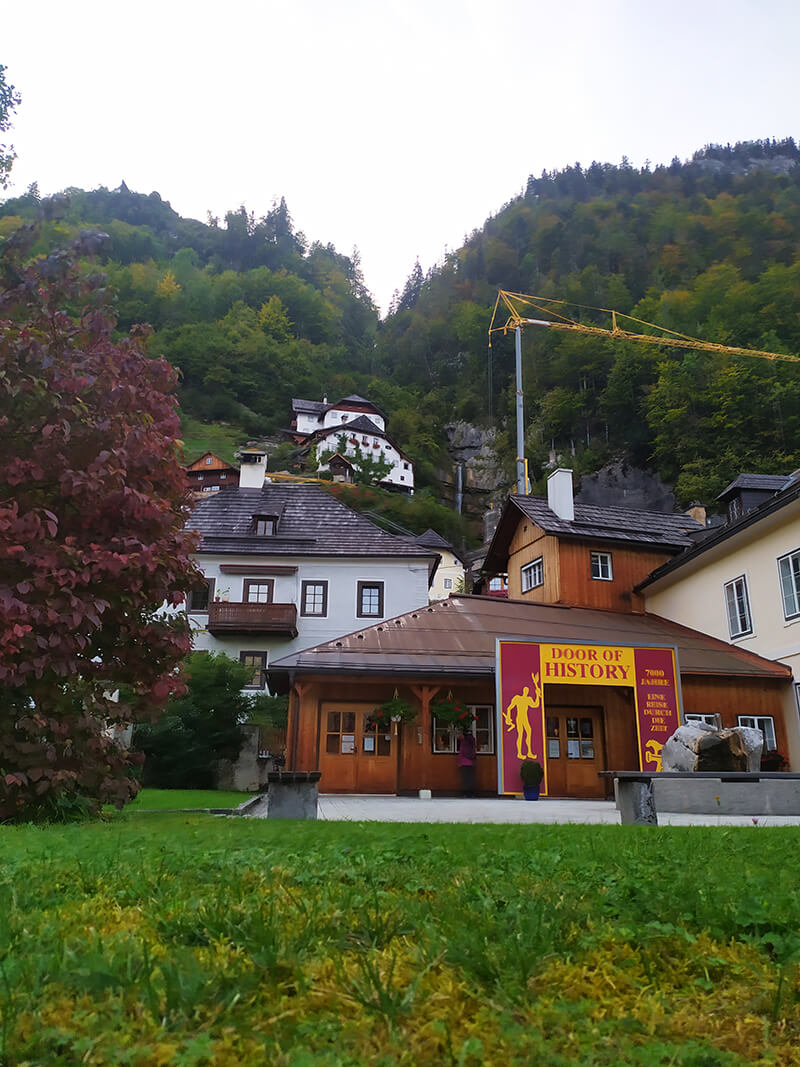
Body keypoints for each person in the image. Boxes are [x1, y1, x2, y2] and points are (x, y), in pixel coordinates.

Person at [457, 729, 477, 796]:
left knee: (465, 779)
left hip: (464, 762)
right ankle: (471, 792)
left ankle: (466, 792)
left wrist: (460, 762)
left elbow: (462, 752)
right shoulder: (472, 741)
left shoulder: (464, 742)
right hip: (472, 762)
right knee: (471, 779)